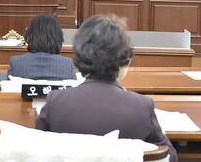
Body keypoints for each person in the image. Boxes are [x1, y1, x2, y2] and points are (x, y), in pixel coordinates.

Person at [35, 14, 177, 161]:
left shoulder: (55, 102)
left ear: (79, 55)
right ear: (125, 59)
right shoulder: (142, 107)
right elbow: (167, 157)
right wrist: (162, 133)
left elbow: (35, 152)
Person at [7, 13, 76, 80]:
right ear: (57, 37)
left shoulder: (16, 63)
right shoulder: (67, 64)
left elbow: (7, 87)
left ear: (29, 35)